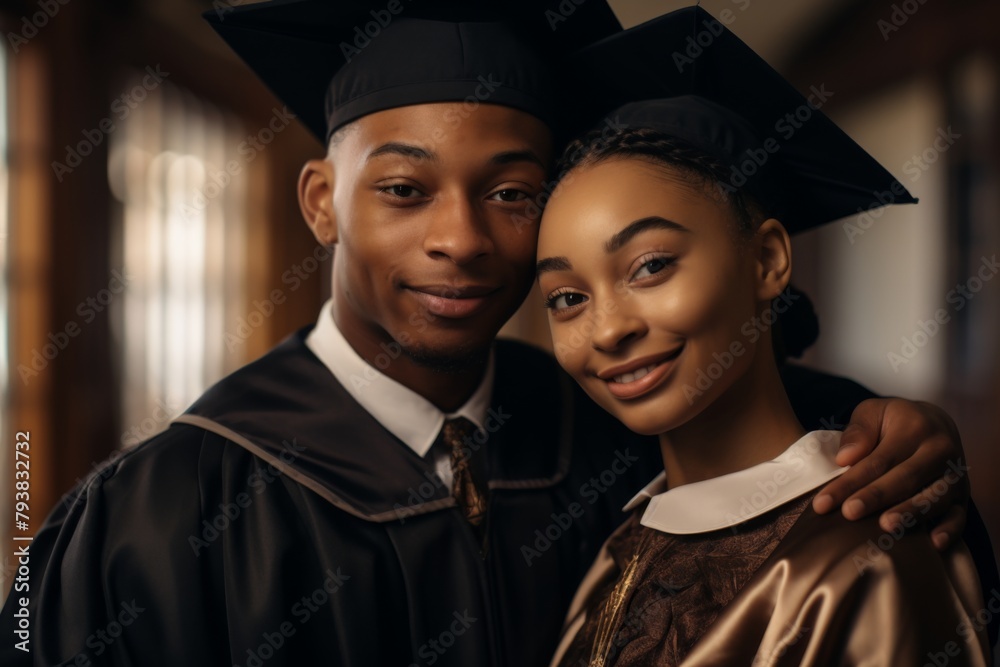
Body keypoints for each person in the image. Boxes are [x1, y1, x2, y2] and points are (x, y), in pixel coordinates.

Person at [0, 2, 993, 666]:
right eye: (401, 189)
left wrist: (891, 426)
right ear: (320, 203)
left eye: (514, 194)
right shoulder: (161, 511)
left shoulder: (612, 432)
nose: (462, 240)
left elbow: (769, 430)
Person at [537, 8, 993, 666]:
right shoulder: (618, 552)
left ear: (768, 261)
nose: (608, 328)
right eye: (568, 298)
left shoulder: (869, 556)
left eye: (651, 265)